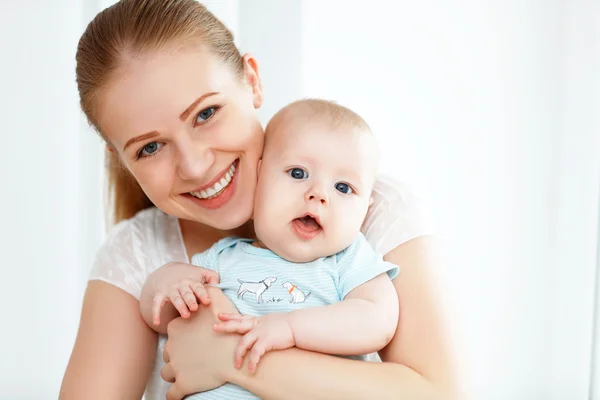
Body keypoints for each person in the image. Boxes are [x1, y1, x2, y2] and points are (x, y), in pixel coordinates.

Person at [59, 1, 459, 399]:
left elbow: (438, 394)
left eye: (206, 113)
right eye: (150, 148)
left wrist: (231, 357)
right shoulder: (138, 254)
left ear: (251, 81)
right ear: (121, 160)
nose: (195, 167)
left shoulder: (366, 211)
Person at [140, 99, 401, 399]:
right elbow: (159, 317)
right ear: (260, 176)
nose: (318, 194)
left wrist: (292, 328)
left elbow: (377, 321)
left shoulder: (349, 260)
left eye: (343, 188)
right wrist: (166, 281)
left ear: (365, 210)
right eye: (298, 173)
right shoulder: (223, 257)